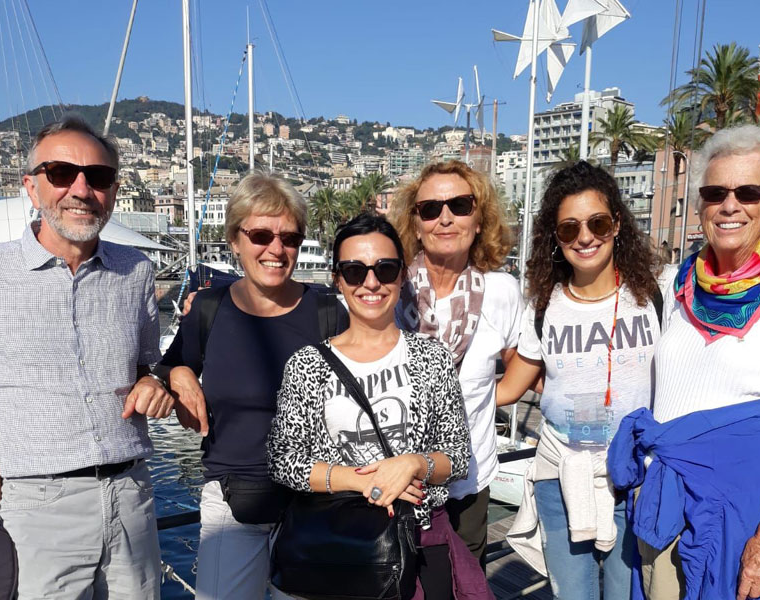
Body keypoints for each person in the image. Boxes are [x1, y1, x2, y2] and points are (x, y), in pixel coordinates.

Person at [0, 116, 173, 599]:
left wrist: (153, 383)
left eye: (98, 177)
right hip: (35, 502)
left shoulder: (135, 270)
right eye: (60, 173)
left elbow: (144, 366)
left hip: (132, 492)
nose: (81, 189)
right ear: (31, 186)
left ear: (112, 191)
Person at [606, 124, 760, 600]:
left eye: (749, 192)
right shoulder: (674, 284)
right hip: (668, 505)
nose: (730, 205)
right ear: (699, 204)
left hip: (748, 517)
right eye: (715, 192)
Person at [268, 214, 492, 598]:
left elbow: (456, 458)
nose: (371, 282)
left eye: (384, 269)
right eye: (355, 271)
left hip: (420, 543)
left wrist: (413, 464)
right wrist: (363, 480)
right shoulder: (308, 364)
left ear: (402, 276)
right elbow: (283, 459)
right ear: (338, 279)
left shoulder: (431, 357)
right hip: (339, 548)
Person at [159, 173, 347, 600]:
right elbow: (171, 362)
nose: (276, 250)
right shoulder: (207, 309)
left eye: (290, 238)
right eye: (261, 234)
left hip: (315, 503)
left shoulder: (329, 313)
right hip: (232, 505)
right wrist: (178, 373)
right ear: (235, 239)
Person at [498, 161, 671, 600]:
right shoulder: (543, 305)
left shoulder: (653, 295)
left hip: (635, 477)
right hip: (561, 475)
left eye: (597, 223)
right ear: (555, 239)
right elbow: (509, 387)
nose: (585, 237)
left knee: (625, 594)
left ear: (616, 224)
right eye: (569, 229)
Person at [389, 160, 522, 568]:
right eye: (430, 209)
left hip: (467, 482)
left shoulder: (502, 291)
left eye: (460, 205)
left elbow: (520, 363)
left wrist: (483, 400)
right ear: (415, 224)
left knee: (463, 588)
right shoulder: (389, 289)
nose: (445, 218)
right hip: (396, 481)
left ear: (480, 219)